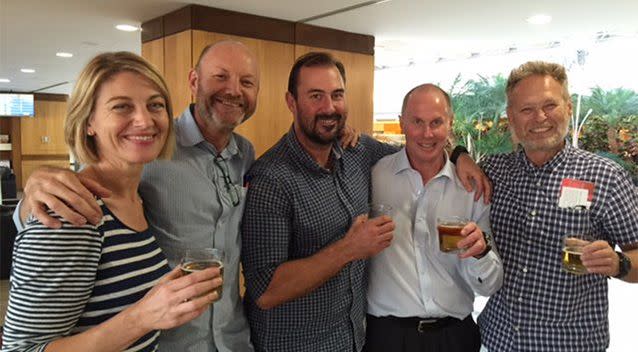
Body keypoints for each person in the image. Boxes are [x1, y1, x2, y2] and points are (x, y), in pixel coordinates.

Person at [13, 40, 259, 352]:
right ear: (89, 120)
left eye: (155, 105)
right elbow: (21, 346)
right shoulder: (76, 207)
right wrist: (28, 201)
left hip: (232, 339)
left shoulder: (243, 154)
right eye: (122, 106)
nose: (143, 121)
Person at [240, 52, 492, 352]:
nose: (329, 107)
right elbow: (264, 291)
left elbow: (420, 148)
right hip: (295, 344)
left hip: (355, 340)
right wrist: (349, 249)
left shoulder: (358, 154)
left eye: (337, 95)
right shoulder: (271, 178)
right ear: (291, 102)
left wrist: (459, 155)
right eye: (315, 96)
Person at [477, 61, 638, 351]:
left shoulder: (606, 177)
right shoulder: (493, 171)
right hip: (497, 339)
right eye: (526, 109)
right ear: (511, 118)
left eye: (550, 105)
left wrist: (619, 263)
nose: (540, 117)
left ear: (568, 108)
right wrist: (460, 155)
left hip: (569, 344)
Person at [365, 84, 503, 352]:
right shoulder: (374, 175)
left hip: (455, 337)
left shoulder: (472, 188)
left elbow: (489, 286)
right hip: (386, 338)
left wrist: (480, 253)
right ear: (401, 123)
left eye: (436, 122)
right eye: (417, 122)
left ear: (450, 124)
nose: (427, 133)